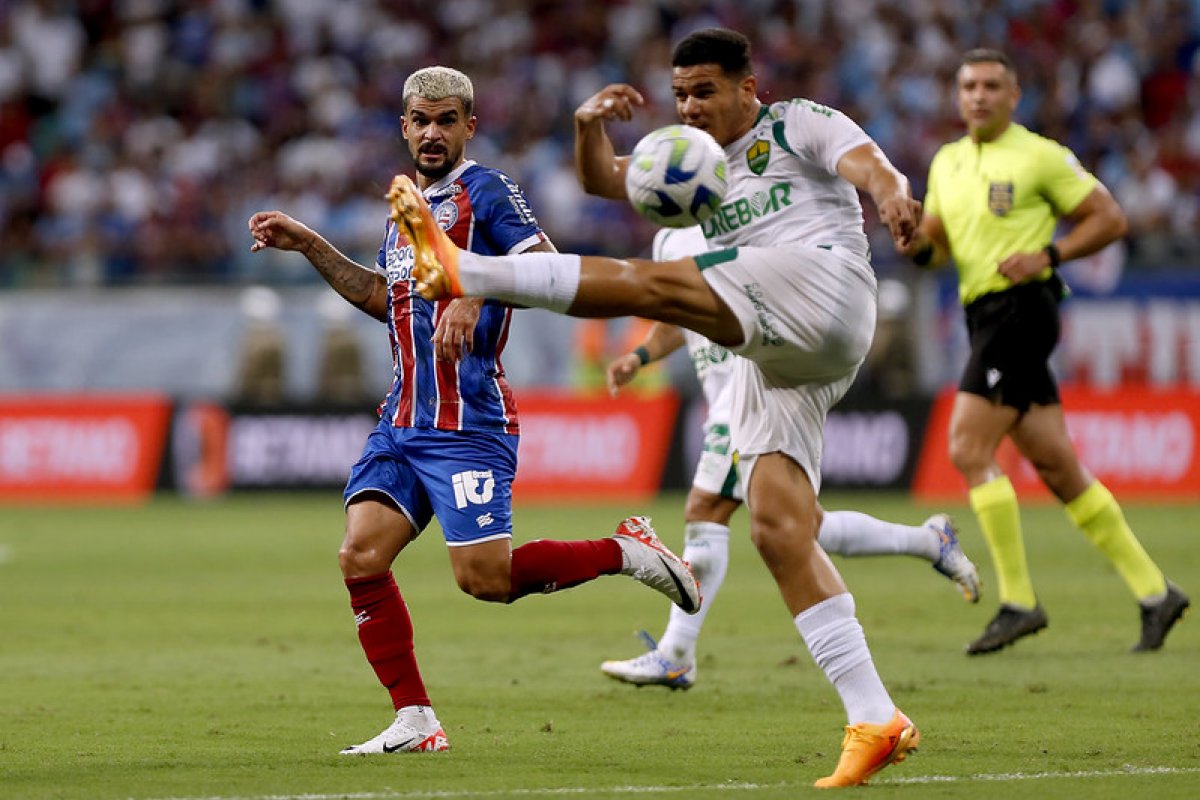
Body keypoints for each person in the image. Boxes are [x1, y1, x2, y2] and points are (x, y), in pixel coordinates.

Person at [388, 29, 925, 788]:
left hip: (825, 287)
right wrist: (587, 126)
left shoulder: (796, 123)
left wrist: (894, 193)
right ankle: (875, 717)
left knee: (659, 281)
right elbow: (605, 179)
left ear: (747, 87)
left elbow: (866, 163)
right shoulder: (688, 160)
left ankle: (464, 269)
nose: (689, 107)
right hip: (779, 356)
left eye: (704, 92)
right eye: (679, 95)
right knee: (779, 528)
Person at [247, 66, 700, 757]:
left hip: (468, 423)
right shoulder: (407, 211)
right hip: (402, 421)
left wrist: (477, 292)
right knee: (360, 555)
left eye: (446, 121)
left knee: (485, 580)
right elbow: (384, 299)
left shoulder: (485, 191)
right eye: (421, 121)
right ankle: (416, 721)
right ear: (404, 127)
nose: (432, 133)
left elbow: (547, 266)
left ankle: (626, 550)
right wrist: (310, 243)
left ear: (469, 127)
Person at [598, 225, 981, 691]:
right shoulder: (669, 240)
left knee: (705, 509)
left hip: (752, 398)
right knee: (806, 526)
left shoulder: (746, 221)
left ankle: (676, 654)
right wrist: (640, 356)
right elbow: (677, 315)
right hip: (721, 401)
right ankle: (929, 542)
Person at [900, 49, 1189, 655]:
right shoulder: (947, 162)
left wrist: (1049, 255)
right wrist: (913, 243)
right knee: (1059, 468)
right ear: (958, 96)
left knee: (967, 447)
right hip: (983, 316)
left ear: (1014, 95)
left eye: (991, 86)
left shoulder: (1040, 156)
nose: (979, 96)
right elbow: (937, 247)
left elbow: (1109, 218)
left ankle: (1018, 601)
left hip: (1021, 309)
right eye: (969, 86)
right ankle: (1155, 592)